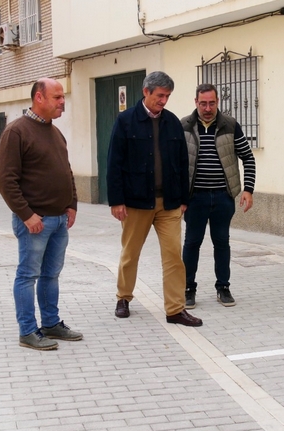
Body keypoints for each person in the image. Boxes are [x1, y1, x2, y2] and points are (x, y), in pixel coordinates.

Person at [107, 71, 203, 327]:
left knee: (174, 257)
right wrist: (116, 201)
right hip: (135, 203)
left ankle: (175, 310)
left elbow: (183, 164)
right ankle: (123, 297)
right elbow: (114, 163)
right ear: (146, 92)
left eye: (167, 96)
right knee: (131, 253)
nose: (164, 101)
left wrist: (184, 198)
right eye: (160, 95)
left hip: (169, 204)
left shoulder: (172, 123)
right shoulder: (125, 121)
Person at [0, 78, 82, 350]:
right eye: (57, 97)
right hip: (35, 222)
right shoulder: (17, 132)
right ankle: (27, 331)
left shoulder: (56, 133)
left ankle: (51, 324)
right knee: (28, 275)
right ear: (39, 98)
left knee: (51, 275)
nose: (62, 102)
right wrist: (26, 215)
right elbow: (5, 180)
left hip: (58, 220)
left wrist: (72, 203)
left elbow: (66, 171)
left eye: (62, 97)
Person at [180, 84, 256, 309]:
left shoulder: (230, 125)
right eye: (203, 103)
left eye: (212, 103)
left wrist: (248, 189)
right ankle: (187, 289)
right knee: (192, 243)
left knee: (222, 242)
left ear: (217, 102)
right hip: (195, 199)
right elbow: (173, 163)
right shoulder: (183, 125)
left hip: (223, 197)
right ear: (195, 102)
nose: (207, 108)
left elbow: (248, 158)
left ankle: (223, 287)